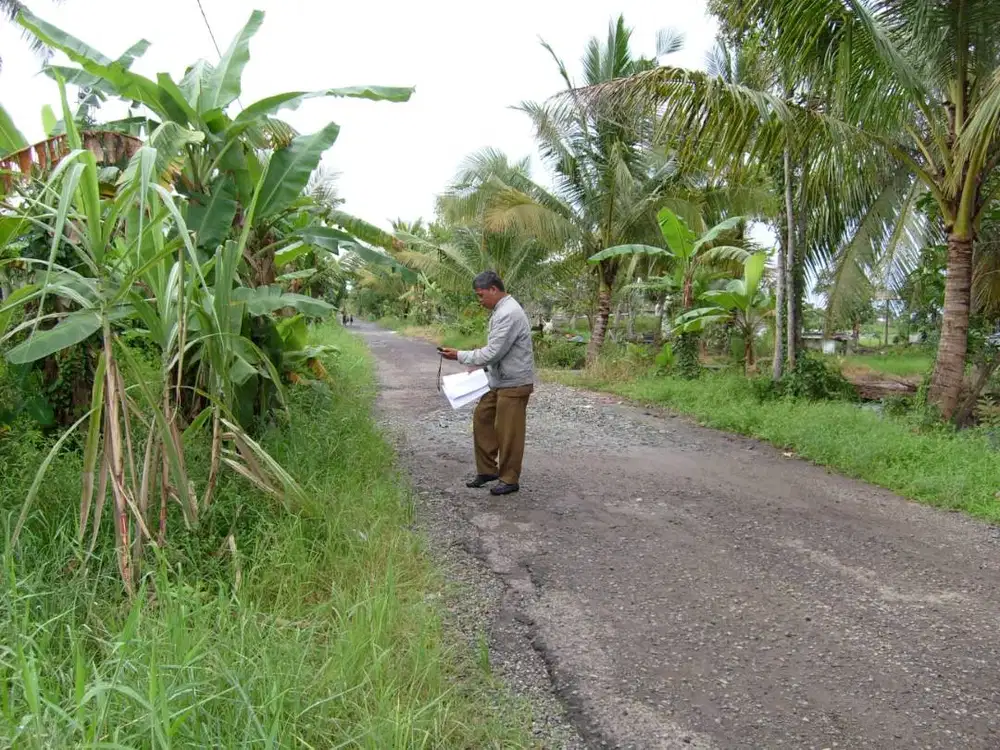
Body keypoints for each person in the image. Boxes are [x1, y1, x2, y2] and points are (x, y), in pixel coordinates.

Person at [439, 271, 535, 495]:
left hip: (514, 382)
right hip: (499, 380)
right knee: (482, 417)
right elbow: (498, 353)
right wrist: (482, 366)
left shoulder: (509, 313)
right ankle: (488, 470)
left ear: (494, 289)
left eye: (481, 295)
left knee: (509, 431)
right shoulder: (501, 310)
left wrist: (460, 355)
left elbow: (493, 351)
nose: (480, 301)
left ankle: (510, 478)